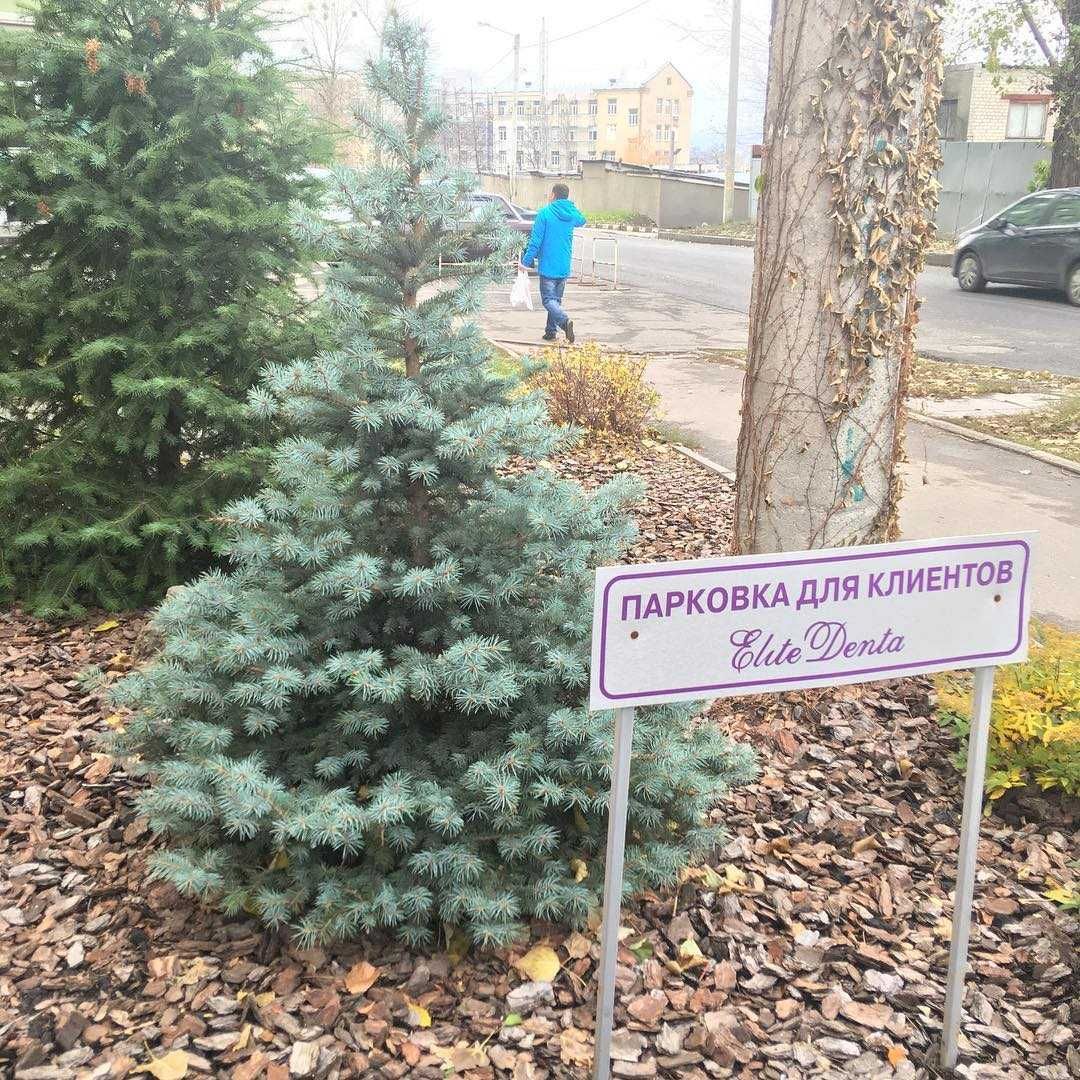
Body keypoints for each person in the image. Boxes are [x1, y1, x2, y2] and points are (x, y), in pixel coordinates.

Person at [520, 182, 586, 343]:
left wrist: (525, 262)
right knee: (555, 300)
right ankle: (550, 331)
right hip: (564, 265)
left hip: (548, 265)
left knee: (548, 300)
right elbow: (582, 219)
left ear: (553, 195)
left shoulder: (544, 213)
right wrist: (570, 206)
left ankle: (564, 321)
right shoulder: (571, 214)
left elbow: (535, 242)